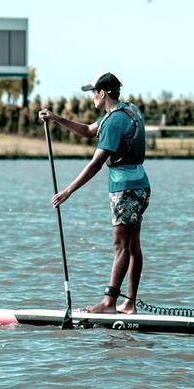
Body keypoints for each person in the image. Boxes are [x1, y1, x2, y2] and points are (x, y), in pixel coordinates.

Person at [39, 72, 151, 315]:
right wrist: (56, 119)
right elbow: (90, 130)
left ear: (103, 92)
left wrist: (68, 191)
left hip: (125, 189)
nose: (91, 96)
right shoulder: (127, 110)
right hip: (140, 185)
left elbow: (95, 164)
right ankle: (129, 303)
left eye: (93, 92)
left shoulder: (114, 121)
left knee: (120, 245)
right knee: (132, 245)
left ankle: (109, 303)